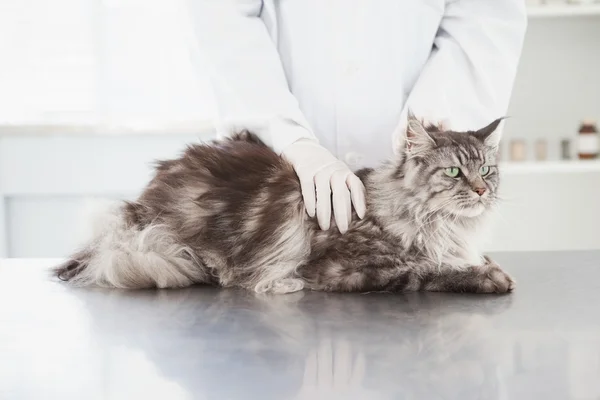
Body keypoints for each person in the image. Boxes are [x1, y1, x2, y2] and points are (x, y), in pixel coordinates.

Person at [186, 0, 527, 234]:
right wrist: (288, 137)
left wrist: (431, 137)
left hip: (421, 201)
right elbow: (223, 17)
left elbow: (486, 18)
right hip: (276, 180)